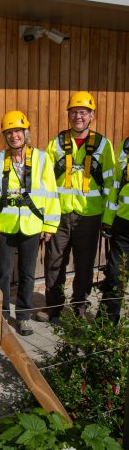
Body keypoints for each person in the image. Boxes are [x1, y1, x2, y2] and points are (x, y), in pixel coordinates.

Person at [37, 92, 115, 322]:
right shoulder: (57, 143)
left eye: (83, 112)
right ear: (68, 115)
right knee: (54, 262)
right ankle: (53, 307)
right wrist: (46, 216)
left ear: (91, 115)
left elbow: (111, 183)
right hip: (60, 213)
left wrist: (107, 218)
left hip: (90, 215)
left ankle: (79, 307)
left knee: (84, 264)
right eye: (74, 112)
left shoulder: (103, 145)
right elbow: (46, 182)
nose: (78, 116)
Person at [0, 111, 60, 335]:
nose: (14, 136)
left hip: (32, 225)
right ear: (4, 136)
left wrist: (49, 226)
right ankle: (3, 314)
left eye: (18, 131)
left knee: (27, 273)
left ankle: (23, 316)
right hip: (4, 226)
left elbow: (51, 194)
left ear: (26, 133)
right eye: (9, 132)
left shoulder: (42, 158)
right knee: (3, 274)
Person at [99, 137, 129, 323]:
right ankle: (104, 328)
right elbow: (115, 187)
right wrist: (108, 221)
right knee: (115, 277)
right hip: (123, 227)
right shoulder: (127, 145)